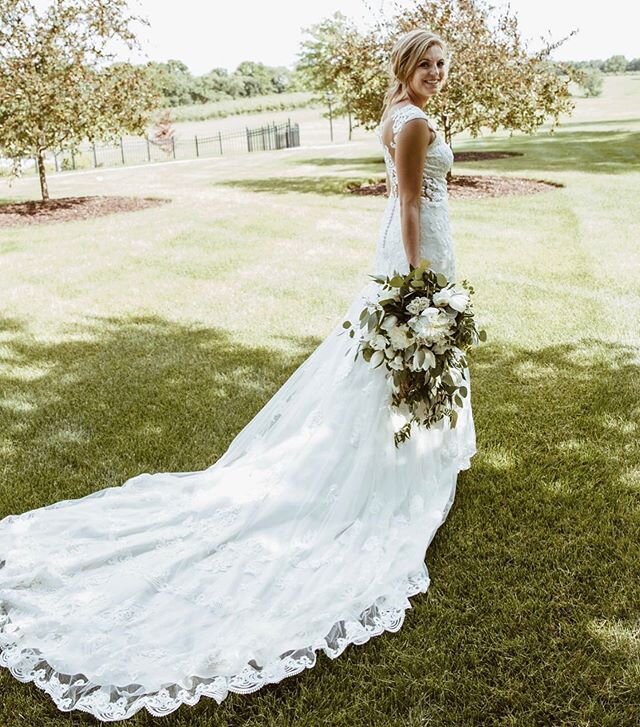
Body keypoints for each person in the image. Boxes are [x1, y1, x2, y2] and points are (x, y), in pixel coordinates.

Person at [0, 28, 476, 722]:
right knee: (400, 355)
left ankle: (415, 451)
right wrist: (417, 283)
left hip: (425, 244)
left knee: (393, 368)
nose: (436, 72)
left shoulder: (400, 114)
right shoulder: (415, 121)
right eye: (426, 63)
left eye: (441, 65)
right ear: (406, 67)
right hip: (417, 253)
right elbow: (406, 201)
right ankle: (395, 469)